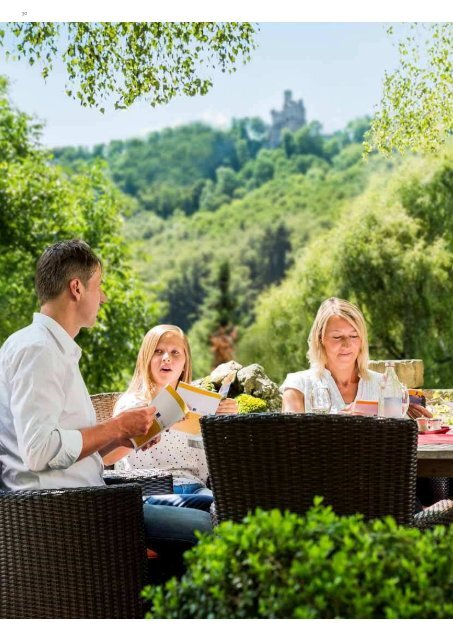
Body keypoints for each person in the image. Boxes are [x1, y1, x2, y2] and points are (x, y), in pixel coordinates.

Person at [0, 240, 211, 574]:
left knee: (208, 517)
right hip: (70, 512)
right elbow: (39, 450)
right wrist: (117, 426)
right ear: (76, 288)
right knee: (212, 529)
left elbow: (73, 454)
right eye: (99, 287)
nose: (104, 297)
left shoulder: (53, 351)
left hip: (86, 498)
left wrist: (126, 440)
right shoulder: (37, 351)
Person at [107, 324, 237, 511]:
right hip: (151, 493)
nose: (166, 358)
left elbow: (220, 461)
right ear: (146, 358)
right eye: (158, 351)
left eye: (175, 352)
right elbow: (109, 457)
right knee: (217, 512)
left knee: (229, 508)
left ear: (185, 362)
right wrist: (163, 420)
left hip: (197, 489)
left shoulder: (199, 402)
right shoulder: (132, 404)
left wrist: (225, 423)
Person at [281, 297, 432, 420]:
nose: (346, 344)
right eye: (337, 337)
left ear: (362, 340)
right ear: (320, 339)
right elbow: (290, 440)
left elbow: (402, 439)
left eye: (353, 336)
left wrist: (418, 421)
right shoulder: (298, 385)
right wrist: (343, 421)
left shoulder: (384, 385)